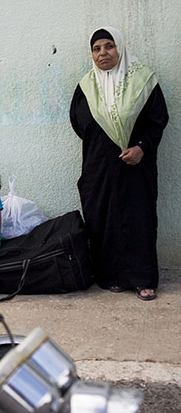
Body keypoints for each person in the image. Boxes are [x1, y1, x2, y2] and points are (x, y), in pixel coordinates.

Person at [70, 27, 168, 301]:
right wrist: (103, 146)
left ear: (119, 48)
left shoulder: (143, 81)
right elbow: (79, 124)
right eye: (97, 48)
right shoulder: (85, 87)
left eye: (109, 46)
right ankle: (112, 276)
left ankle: (143, 279)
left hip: (136, 166)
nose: (103, 53)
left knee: (139, 218)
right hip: (98, 167)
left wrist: (141, 147)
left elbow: (158, 120)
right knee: (103, 218)